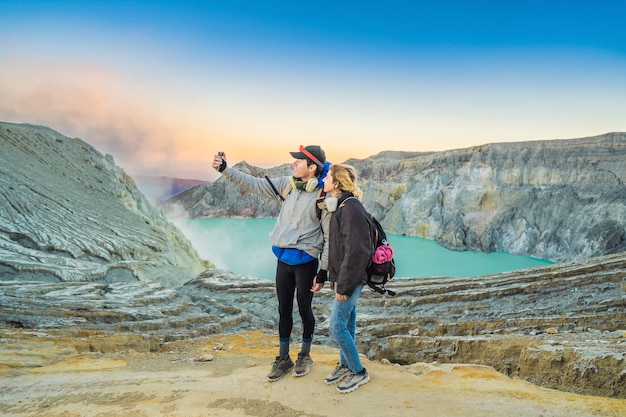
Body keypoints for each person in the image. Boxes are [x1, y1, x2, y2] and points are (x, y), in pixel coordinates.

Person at [211, 145, 330, 382]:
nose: (294, 164)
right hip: (283, 260)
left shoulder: (323, 196)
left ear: (312, 167)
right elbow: (254, 183)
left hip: (306, 263)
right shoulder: (288, 185)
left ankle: (305, 355)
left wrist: (323, 271)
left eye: (299, 161)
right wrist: (225, 169)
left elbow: (329, 236)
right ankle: (283, 358)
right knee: (283, 310)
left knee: (305, 310)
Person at [316, 163, 371, 393]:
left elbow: (357, 250)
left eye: (328, 176)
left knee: (337, 326)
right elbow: (341, 248)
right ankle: (346, 364)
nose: (324, 179)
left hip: (352, 279)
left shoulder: (349, 209)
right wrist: (335, 276)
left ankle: (359, 372)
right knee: (347, 322)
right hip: (345, 277)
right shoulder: (343, 206)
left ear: (336, 184)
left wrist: (345, 285)